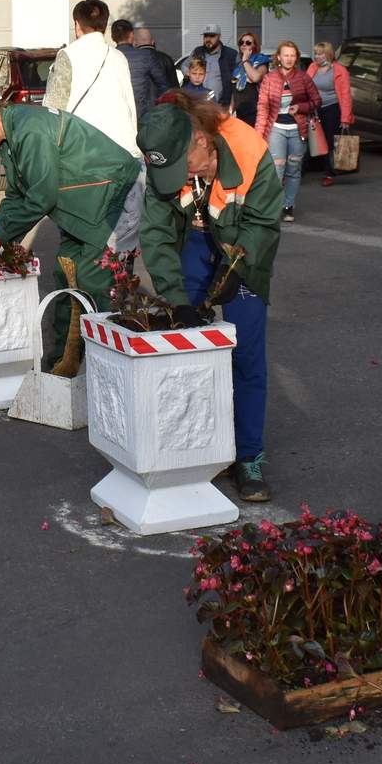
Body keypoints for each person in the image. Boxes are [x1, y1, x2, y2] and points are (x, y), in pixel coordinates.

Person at [136, 92, 285, 503]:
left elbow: (263, 223)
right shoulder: (165, 154)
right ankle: (197, 445)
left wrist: (238, 269)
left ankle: (249, 457)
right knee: (182, 340)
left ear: (200, 139)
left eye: (184, 167)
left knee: (247, 352)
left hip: (245, 242)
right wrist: (178, 298)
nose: (179, 178)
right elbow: (157, 233)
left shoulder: (249, 149)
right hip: (198, 243)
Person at [0, 89, 140, 374]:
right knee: (65, 275)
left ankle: (110, 369)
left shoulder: (31, 131)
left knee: (94, 280)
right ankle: (62, 365)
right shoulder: (11, 138)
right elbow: (18, 195)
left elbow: (41, 197)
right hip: (83, 207)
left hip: (114, 198)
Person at [44, 0, 142, 248]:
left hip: (84, 161)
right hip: (124, 157)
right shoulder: (119, 58)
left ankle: (80, 286)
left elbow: (53, 112)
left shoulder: (68, 55)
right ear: (105, 25)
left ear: (77, 25)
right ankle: (116, 286)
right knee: (118, 242)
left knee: (79, 240)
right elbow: (130, 108)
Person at [253, 40, 321, 223]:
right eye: (286, 55)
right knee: (276, 169)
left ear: (296, 58)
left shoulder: (303, 78)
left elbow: (317, 101)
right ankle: (274, 206)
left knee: (293, 169)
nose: (289, 59)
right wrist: (258, 135)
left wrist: (301, 107)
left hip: (298, 129)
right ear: (278, 57)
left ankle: (288, 206)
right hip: (276, 129)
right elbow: (263, 108)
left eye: (292, 55)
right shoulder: (270, 78)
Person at [307, 41, 355, 188]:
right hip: (315, 109)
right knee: (314, 141)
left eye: (320, 53)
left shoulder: (339, 70)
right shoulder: (312, 67)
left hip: (332, 108)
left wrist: (345, 118)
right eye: (315, 53)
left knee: (330, 141)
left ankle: (329, 173)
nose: (317, 56)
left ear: (328, 54)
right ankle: (313, 168)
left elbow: (346, 95)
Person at [119, 24, 178, 119]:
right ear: (153, 42)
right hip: (160, 111)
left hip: (137, 111)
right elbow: (173, 88)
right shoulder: (166, 59)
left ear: (135, 43)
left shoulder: (126, 58)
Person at [187, 26, 241, 109]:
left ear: (219, 36)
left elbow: (238, 80)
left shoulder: (231, 54)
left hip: (221, 106)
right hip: (197, 105)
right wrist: (192, 74)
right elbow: (185, 66)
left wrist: (232, 106)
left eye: (212, 36)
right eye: (206, 36)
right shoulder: (198, 51)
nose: (208, 39)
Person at [229, 32, 268, 126]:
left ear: (255, 45)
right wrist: (230, 110)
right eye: (241, 42)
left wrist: (246, 60)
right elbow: (235, 90)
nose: (244, 44)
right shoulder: (238, 66)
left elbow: (255, 78)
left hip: (256, 113)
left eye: (248, 42)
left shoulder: (261, 60)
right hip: (240, 112)